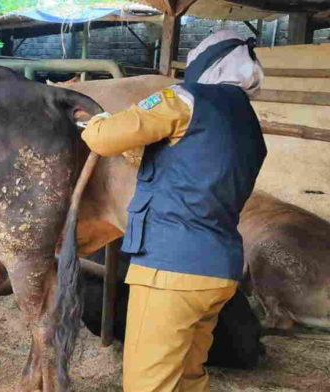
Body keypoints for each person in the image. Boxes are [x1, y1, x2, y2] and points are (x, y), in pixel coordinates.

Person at [81, 30, 266, 392]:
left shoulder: (185, 100)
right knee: (190, 376)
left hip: (171, 270)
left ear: (204, 64)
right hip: (219, 271)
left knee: (148, 383)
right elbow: (192, 168)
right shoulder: (248, 124)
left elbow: (103, 140)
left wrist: (95, 122)